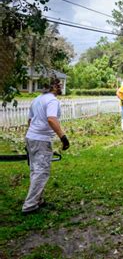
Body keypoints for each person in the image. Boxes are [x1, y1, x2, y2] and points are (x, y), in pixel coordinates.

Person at [22, 78, 70, 214]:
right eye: (59, 85)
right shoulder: (52, 101)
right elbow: (51, 119)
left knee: (35, 170)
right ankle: (30, 205)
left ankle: (38, 199)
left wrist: (29, 137)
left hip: (31, 137)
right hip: (41, 139)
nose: (61, 86)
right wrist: (63, 137)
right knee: (41, 171)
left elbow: (30, 120)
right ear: (52, 87)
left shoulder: (37, 99)